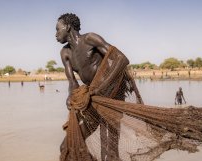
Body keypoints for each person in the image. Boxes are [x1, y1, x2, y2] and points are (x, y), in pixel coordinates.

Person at [56, 13, 143, 160]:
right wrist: (71, 95)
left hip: (112, 94)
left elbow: (121, 59)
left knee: (109, 148)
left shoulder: (90, 39)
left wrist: (102, 86)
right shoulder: (65, 53)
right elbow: (72, 82)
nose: (56, 34)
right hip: (93, 97)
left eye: (58, 29)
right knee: (68, 145)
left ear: (68, 27)